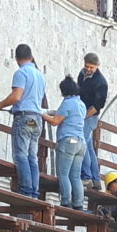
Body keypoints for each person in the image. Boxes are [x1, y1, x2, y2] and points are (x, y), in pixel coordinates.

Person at [0, 44, 45, 198]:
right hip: (36, 119)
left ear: (17, 59)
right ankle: (34, 190)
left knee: (21, 155)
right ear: (31, 57)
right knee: (32, 155)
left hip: (24, 117)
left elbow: (16, 96)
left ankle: (26, 189)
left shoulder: (21, 73)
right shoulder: (40, 76)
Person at [42, 76, 87, 210]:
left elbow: (55, 121)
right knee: (76, 175)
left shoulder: (67, 103)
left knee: (63, 173)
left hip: (68, 141)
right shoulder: (81, 104)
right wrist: (51, 111)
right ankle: (78, 203)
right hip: (80, 142)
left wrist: (42, 115)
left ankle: (66, 201)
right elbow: (65, 114)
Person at [78, 53, 108, 191]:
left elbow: (97, 106)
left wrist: (82, 116)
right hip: (83, 112)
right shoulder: (81, 75)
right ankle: (95, 179)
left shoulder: (101, 82)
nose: (88, 69)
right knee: (89, 147)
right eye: (86, 66)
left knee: (81, 141)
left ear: (97, 66)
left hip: (90, 116)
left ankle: (87, 176)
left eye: (91, 67)